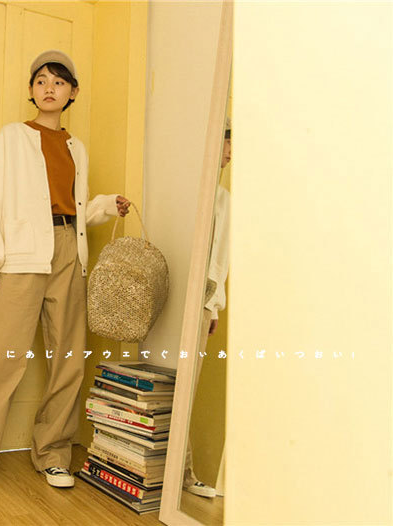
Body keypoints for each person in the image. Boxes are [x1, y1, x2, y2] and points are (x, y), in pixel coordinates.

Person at [0, 50, 131, 495]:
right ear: (31, 89)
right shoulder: (13, 137)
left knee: (68, 361)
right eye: (42, 80)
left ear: (73, 93)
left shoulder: (76, 148)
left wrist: (107, 206)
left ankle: (54, 454)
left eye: (59, 82)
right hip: (23, 253)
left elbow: (76, 207)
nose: (50, 88)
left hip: (69, 250)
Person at [182, 116, 231, 498]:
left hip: (200, 300)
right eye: (227, 142)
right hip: (171, 294)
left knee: (187, 389)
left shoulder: (223, 199)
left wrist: (213, 306)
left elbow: (220, 259)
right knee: (165, 387)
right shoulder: (186, 188)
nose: (229, 153)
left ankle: (183, 474)